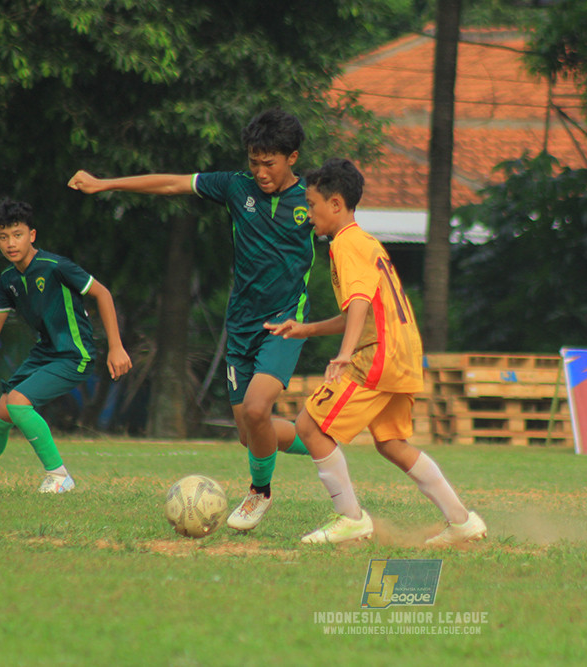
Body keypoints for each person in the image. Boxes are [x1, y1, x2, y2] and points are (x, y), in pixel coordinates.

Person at [67, 108, 313, 531]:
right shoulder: (237, 188)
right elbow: (171, 182)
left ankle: (259, 494)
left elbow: (347, 239)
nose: (259, 171)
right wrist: (106, 183)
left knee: (257, 410)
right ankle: (317, 439)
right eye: (253, 162)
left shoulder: (311, 198)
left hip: (285, 323)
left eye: (268, 163)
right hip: (240, 326)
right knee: (249, 432)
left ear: (292, 157)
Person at [266, 158, 487, 546]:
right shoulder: (366, 241)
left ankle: (350, 518)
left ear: (336, 205)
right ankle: (462, 520)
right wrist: (308, 329)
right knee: (392, 444)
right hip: (402, 351)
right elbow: (360, 309)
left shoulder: (346, 244)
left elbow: (361, 301)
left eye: (313, 205)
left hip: (378, 354)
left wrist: (346, 354)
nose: (308, 214)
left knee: (309, 426)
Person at [0, 199, 132, 493]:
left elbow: (103, 294)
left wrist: (116, 347)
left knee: (18, 401)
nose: (10, 243)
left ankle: (59, 477)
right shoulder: (8, 280)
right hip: (45, 354)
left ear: (32, 235)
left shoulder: (56, 267)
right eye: (3, 237)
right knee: (1, 411)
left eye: (17, 234)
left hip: (73, 354)